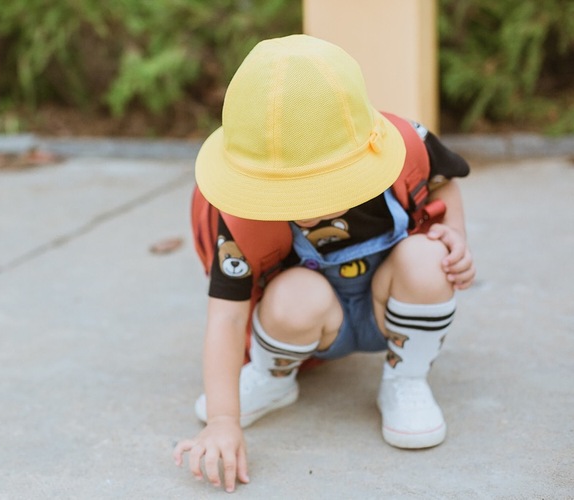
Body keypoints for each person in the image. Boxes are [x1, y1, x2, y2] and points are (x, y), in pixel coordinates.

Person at [173, 34, 475, 493]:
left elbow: (443, 184)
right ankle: (275, 378)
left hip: (388, 310)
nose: (303, 207)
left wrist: (454, 238)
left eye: (316, 186)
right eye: (281, 191)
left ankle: (405, 379)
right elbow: (227, 318)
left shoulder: (402, 147)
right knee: (296, 294)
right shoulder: (239, 218)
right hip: (308, 326)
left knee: (427, 258)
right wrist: (222, 419)